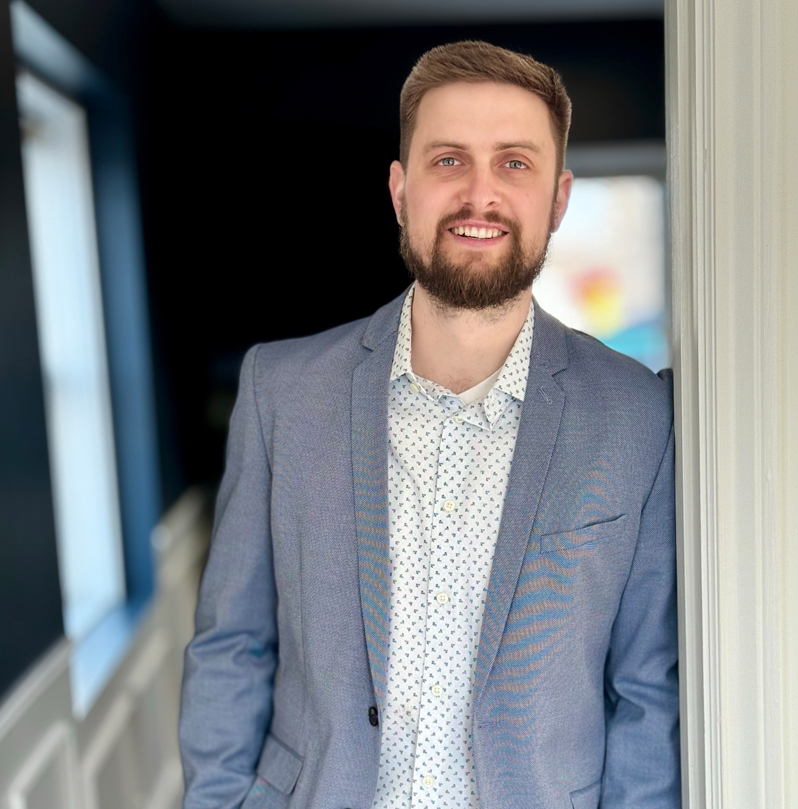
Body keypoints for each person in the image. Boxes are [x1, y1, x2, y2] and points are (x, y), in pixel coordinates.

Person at [179, 40, 679, 809]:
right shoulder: (280, 389)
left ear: (558, 198)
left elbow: (646, 689)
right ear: (401, 189)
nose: (480, 194)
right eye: (449, 160)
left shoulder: (638, 414)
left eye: (515, 162)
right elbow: (231, 645)